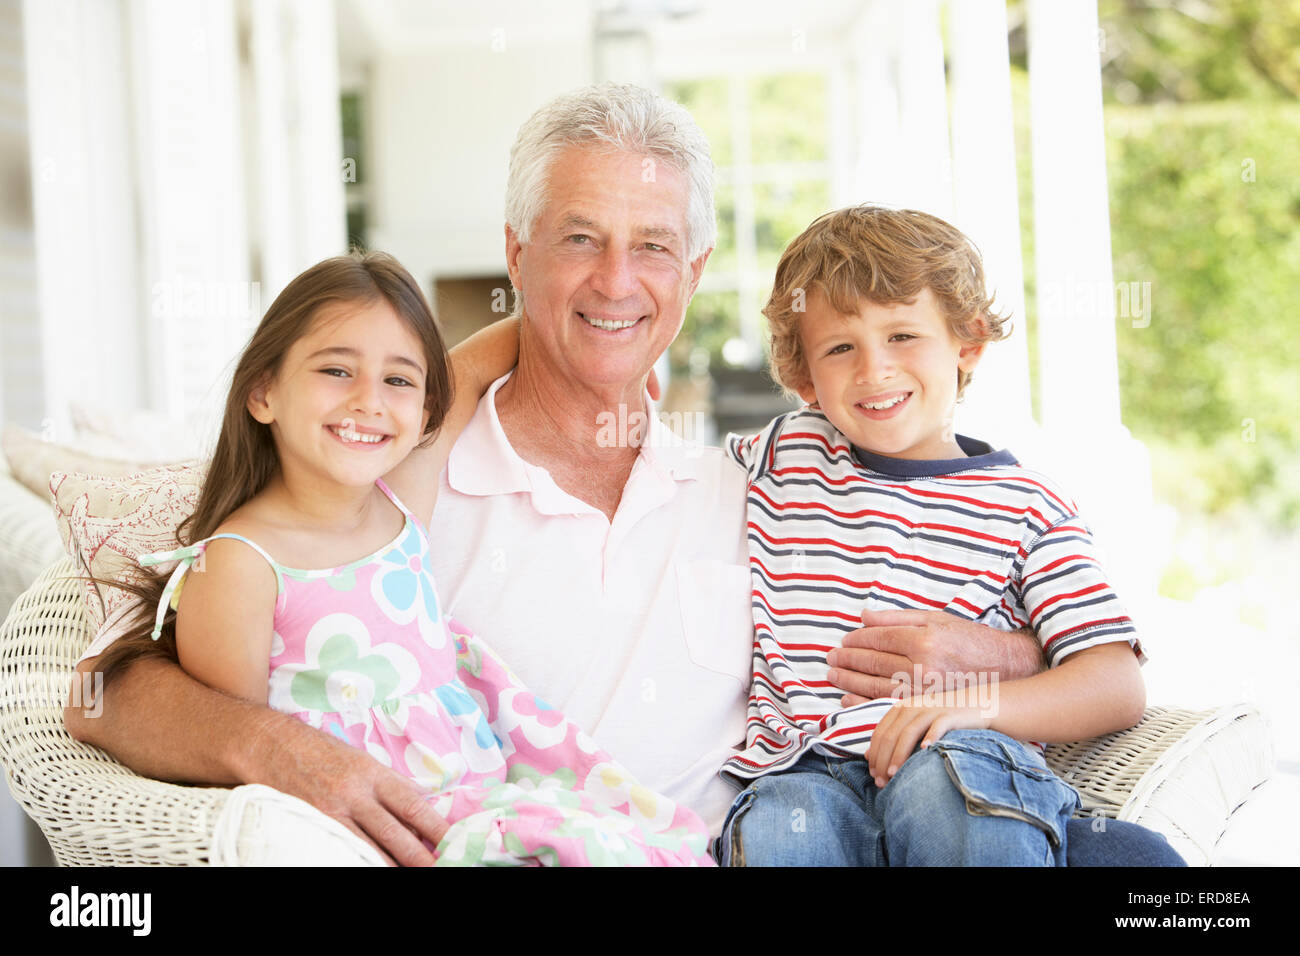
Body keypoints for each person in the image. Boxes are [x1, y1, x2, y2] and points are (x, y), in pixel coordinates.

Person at [68, 83, 1179, 866]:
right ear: (514, 253)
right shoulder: (386, 468)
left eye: (651, 245)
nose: (615, 279)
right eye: (576, 239)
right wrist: (276, 745)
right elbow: (105, 686)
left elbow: (993, 600)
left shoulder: (754, 484)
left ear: (691, 273)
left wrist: (1006, 650)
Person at [87, 250, 713, 866]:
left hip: (481, 794)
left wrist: (601, 361)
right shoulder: (240, 563)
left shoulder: (397, 500)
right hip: (378, 830)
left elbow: (468, 371)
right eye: (336, 370)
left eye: (398, 380)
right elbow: (231, 754)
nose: (369, 401)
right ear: (262, 393)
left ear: (421, 414)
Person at [713, 204, 1176, 866]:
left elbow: (1115, 683)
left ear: (968, 342)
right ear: (804, 379)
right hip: (804, 770)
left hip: (957, 754)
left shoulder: (1028, 505)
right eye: (841, 347)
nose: (874, 371)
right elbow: (640, 469)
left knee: (954, 793)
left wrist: (975, 707)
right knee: (780, 826)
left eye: (903, 336)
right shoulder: (786, 452)